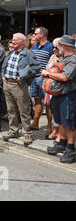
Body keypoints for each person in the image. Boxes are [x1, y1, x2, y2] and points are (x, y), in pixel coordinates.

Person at [41, 35, 76, 163]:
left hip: (68, 95)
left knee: (69, 123)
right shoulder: (63, 59)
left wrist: (48, 74)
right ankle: (62, 143)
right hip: (58, 95)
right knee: (60, 121)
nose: (56, 48)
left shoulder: (73, 60)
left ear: (66, 46)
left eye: (59, 45)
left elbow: (66, 77)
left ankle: (71, 149)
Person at [1, 33, 40, 146]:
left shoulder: (28, 53)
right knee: (11, 110)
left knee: (24, 110)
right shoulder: (11, 52)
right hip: (7, 83)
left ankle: (27, 132)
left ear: (22, 42)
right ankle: (13, 131)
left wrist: (24, 76)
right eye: (13, 40)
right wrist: (3, 74)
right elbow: (5, 65)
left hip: (19, 85)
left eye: (15, 40)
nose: (13, 42)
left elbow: (36, 67)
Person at [30, 27, 54, 136]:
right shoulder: (34, 46)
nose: (33, 35)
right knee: (37, 101)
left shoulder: (50, 47)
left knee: (47, 104)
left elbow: (54, 61)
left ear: (42, 35)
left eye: (36, 33)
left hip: (45, 78)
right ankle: (35, 122)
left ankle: (49, 126)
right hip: (34, 77)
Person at [45, 37, 63, 142]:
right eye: (53, 47)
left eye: (56, 47)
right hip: (51, 87)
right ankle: (55, 130)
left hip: (60, 88)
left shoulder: (65, 58)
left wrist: (51, 71)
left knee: (60, 111)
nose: (54, 49)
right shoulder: (53, 56)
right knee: (53, 109)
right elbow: (47, 68)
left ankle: (60, 133)